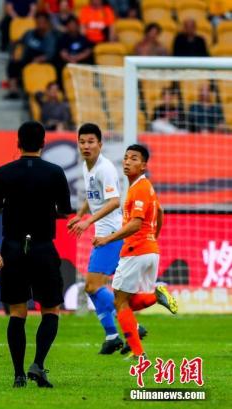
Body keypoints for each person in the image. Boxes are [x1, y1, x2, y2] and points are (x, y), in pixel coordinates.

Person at [0, 121, 72, 388]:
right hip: (43, 247)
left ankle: (18, 374)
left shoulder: (3, 173)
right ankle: (38, 363)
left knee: (17, 312)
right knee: (51, 309)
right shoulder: (56, 173)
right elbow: (64, 210)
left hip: (12, 247)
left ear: (18, 143)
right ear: (44, 143)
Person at [93, 144, 178, 360]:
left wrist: (107, 239)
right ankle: (138, 350)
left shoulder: (139, 188)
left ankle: (139, 352)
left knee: (119, 302)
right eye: (126, 157)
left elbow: (135, 224)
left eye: (134, 158)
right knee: (126, 303)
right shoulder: (146, 186)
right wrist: (154, 238)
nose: (128, 161)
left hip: (135, 250)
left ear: (143, 165)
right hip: (150, 251)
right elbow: (160, 210)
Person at [67, 123, 126, 354]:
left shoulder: (105, 169)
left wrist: (88, 221)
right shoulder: (87, 166)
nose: (86, 146)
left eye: (91, 142)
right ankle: (112, 335)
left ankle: (130, 323)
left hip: (111, 235)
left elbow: (114, 201)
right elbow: (94, 197)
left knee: (92, 285)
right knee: (92, 288)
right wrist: (80, 214)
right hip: (103, 233)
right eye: (82, 142)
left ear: (100, 144)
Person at [5, 12, 59, 99]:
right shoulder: (29, 34)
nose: (40, 24)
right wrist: (14, 54)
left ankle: (33, 92)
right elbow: (18, 42)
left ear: (47, 23)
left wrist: (38, 60)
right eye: (38, 22)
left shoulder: (50, 37)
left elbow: (50, 54)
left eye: (42, 22)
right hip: (26, 59)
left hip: (42, 64)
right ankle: (13, 90)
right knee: (13, 64)